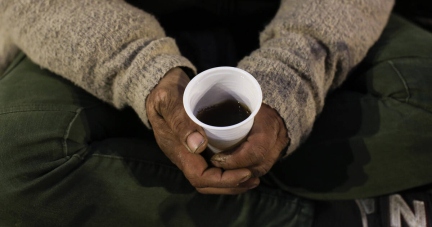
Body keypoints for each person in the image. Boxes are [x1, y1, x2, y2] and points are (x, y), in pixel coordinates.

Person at [0, 0, 431, 226]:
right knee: (13, 159)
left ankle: (161, 191)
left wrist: (291, 77)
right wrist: (142, 70)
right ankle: (323, 210)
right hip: (109, 33)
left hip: (299, 23)